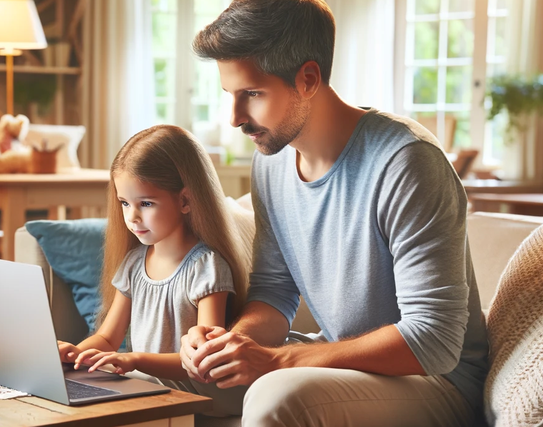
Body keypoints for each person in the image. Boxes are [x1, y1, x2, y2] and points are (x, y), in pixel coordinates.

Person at [180, 0, 489, 426]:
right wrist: (231, 344)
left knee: (278, 393)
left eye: (252, 94)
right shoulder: (271, 161)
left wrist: (279, 361)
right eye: (230, 95)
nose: (234, 118)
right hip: (345, 363)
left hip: (437, 381)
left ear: (308, 78)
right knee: (165, 378)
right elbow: (274, 291)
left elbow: (433, 340)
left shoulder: (406, 162)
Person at [57, 125, 252, 408]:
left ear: (185, 200)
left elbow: (202, 359)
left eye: (145, 203)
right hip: (148, 383)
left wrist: (134, 360)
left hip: (194, 392)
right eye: (124, 203)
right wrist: (74, 354)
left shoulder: (206, 267)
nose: (132, 217)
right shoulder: (134, 263)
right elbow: (107, 338)